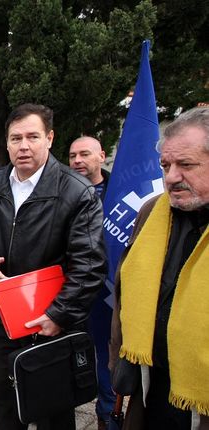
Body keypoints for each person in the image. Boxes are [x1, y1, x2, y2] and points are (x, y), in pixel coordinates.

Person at [0, 103, 106, 429]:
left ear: (50, 138)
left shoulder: (76, 190)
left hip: (52, 326)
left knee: (53, 412)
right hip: (4, 323)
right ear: (7, 141)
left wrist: (59, 315)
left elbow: (90, 265)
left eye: (32, 136)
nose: (23, 146)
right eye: (16, 138)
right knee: (7, 408)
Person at [110, 107, 209, 429]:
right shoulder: (151, 212)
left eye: (186, 165)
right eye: (166, 166)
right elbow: (126, 291)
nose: (171, 177)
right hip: (150, 383)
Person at [68, 136, 114, 429]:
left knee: (107, 357)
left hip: (108, 293)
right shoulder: (64, 191)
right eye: (72, 156)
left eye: (85, 154)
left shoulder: (120, 192)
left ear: (102, 156)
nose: (77, 161)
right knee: (68, 356)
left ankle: (108, 415)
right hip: (71, 287)